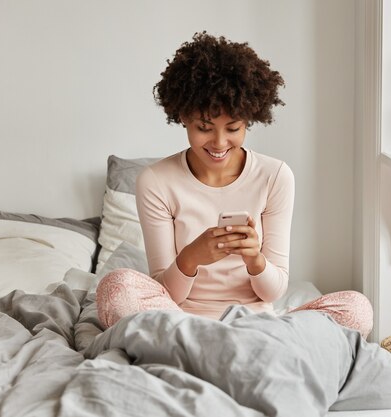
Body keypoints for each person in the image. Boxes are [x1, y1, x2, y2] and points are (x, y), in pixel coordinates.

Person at [96, 32, 373, 338]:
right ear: (182, 117)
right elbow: (166, 295)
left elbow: (273, 292)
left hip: (258, 326)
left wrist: (255, 259)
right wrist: (191, 258)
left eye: (233, 128)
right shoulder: (155, 181)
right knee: (117, 288)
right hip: (182, 324)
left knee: (356, 309)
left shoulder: (275, 176)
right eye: (204, 128)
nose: (218, 143)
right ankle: (239, 354)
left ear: (249, 120)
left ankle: (220, 354)